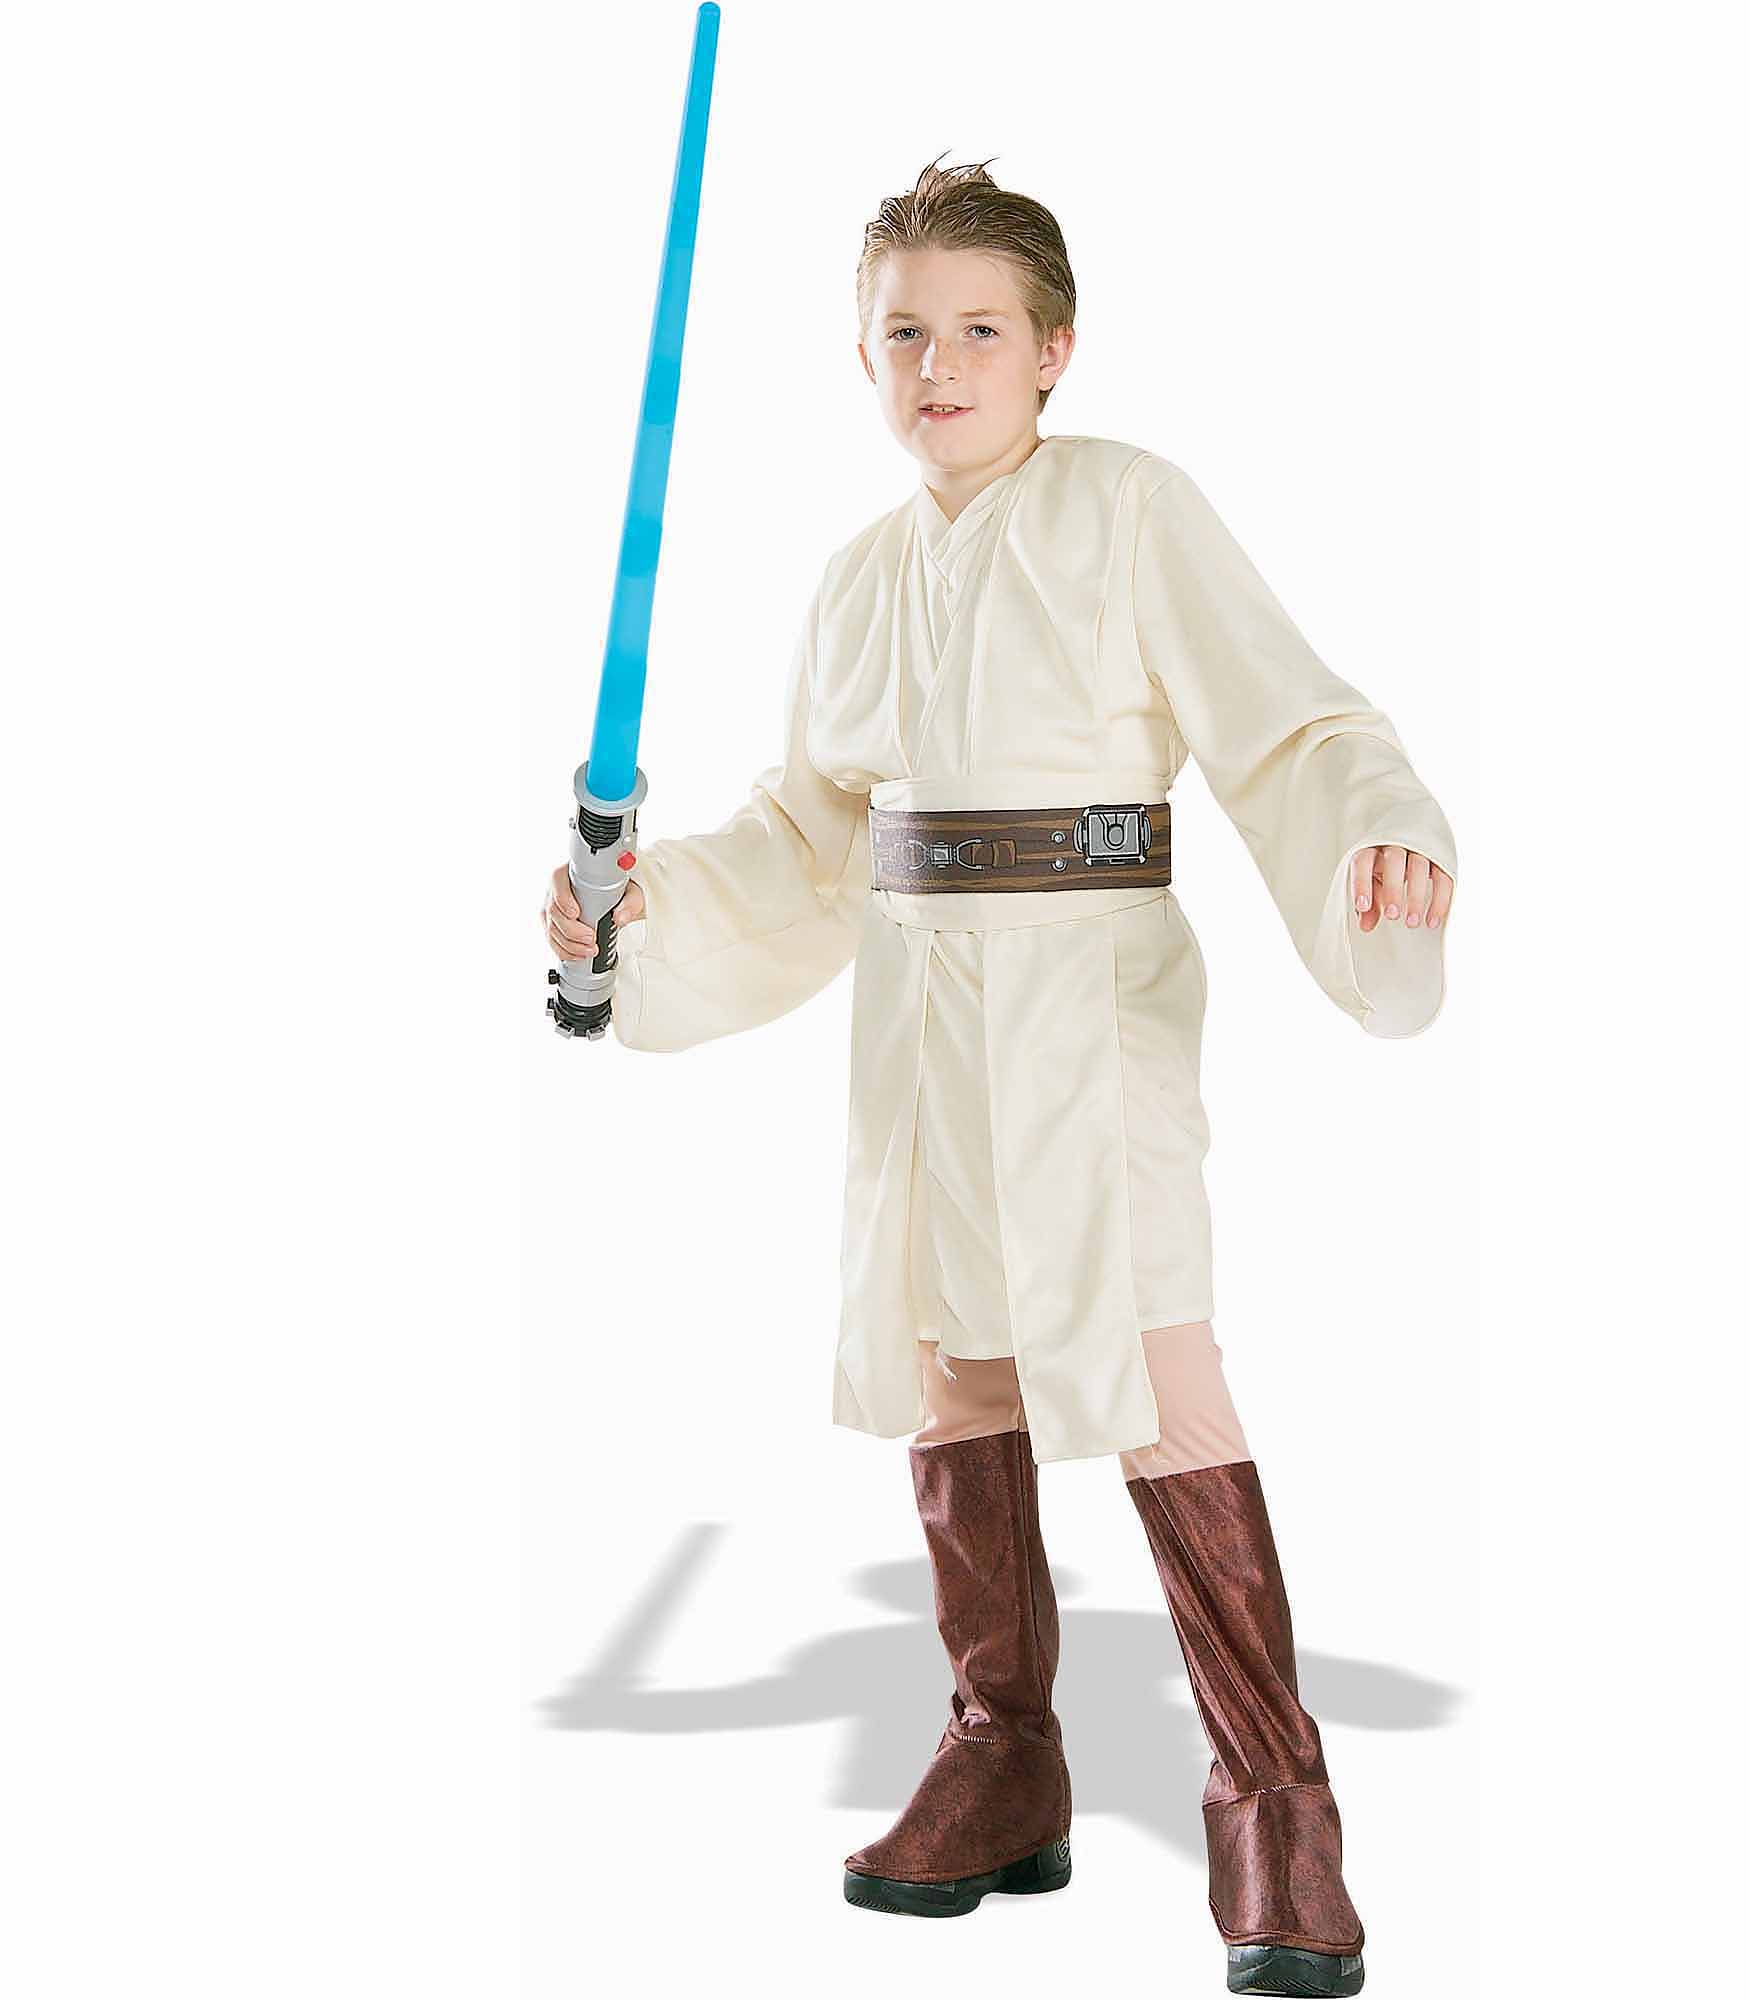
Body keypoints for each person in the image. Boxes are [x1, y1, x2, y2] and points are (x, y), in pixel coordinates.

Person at [542, 154, 1456, 1999]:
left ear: (1055, 351)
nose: (939, 364)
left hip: (1087, 1005)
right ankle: (1002, 1753)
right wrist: (639, 909)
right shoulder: (860, 579)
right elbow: (810, 837)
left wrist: (1377, 821)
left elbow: (1294, 720)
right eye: (903, 334)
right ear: (861, 360)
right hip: (920, 1017)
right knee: (957, 1361)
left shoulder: (1130, 510)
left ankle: (1277, 1805)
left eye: (978, 329)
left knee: (1156, 1367)